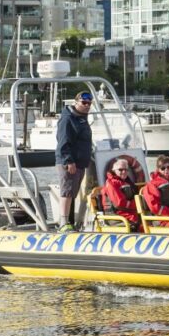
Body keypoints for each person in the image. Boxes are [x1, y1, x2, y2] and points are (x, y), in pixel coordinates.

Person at [55, 90, 94, 232]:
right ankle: (63, 223)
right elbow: (63, 142)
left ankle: (70, 221)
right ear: (76, 103)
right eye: (84, 103)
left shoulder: (82, 118)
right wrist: (68, 161)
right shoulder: (68, 119)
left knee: (73, 192)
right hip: (70, 162)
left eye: (89, 103)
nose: (87, 105)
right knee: (67, 192)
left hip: (80, 163)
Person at [101, 159, 140, 231]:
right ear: (114, 171)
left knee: (145, 219)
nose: (124, 172)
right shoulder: (111, 183)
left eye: (126, 170)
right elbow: (119, 203)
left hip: (127, 213)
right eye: (120, 170)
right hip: (116, 215)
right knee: (137, 222)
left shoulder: (126, 182)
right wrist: (137, 204)